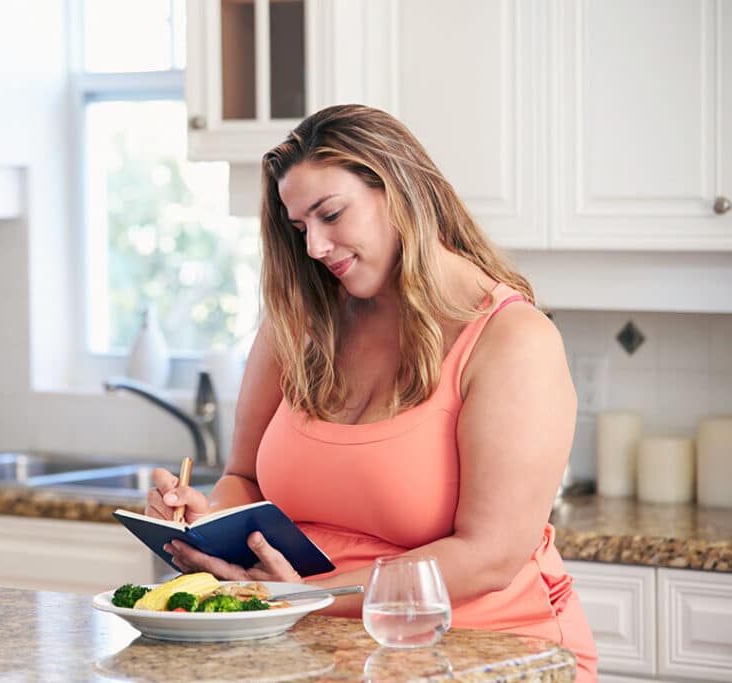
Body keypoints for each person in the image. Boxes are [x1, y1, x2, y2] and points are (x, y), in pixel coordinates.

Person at [146, 104, 597, 681]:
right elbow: (245, 479)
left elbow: (490, 555)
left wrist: (308, 596)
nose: (314, 246)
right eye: (300, 227)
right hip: (312, 647)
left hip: (484, 654)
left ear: (401, 189)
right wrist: (206, 521)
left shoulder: (511, 340)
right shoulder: (300, 324)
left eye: (331, 214)